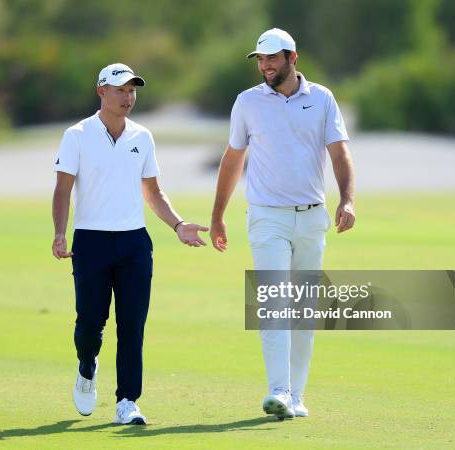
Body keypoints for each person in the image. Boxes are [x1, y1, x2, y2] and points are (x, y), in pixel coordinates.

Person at [210, 28, 356, 419]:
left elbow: (339, 153)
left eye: (272, 57)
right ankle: (278, 390)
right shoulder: (247, 102)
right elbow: (233, 159)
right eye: (260, 58)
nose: (265, 64)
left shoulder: (322, 98)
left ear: (293, 57)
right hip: (266, 216)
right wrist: (217, 215)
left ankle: (296, 396)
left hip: (311, 217)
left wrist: (348, 199)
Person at [52, 63, 208, 425]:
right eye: (120, 90)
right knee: (90, 323)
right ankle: (87, 365)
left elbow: (152, 191)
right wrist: (60, 233)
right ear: (101, 92)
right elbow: (62, 189)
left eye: (132, 90)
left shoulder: (142, 137)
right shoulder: (77, 135)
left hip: (134, 243)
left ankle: (127, 401)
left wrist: (178, 224)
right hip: (90, 241)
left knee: (132, 325)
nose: (128, 97)